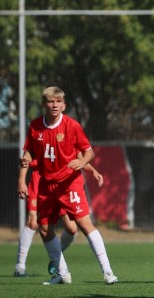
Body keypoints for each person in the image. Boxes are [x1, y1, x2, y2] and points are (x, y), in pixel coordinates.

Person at [17, 86, 118, 285]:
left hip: (69, 184)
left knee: (83, 223)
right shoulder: (35, 126)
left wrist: (82, 162)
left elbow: (89, 152)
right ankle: (62, 274)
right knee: (44, 229)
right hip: (46, 185)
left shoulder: (72, 126)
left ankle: (108, 272)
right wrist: (25, 164)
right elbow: (30, 152)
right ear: (44, 104)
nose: (54, 105)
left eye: (58, 102)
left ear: (63, 105)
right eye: (50, 101)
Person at [14, 157, 104, 278]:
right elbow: (26, 157)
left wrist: (93, 171)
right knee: (33, 222)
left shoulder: (65, 139)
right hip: (39, 178)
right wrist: (21, 180)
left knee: (72, 229)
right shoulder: (37, 138)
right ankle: (20, 267)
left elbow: (77, 158)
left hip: (60, 183)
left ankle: (56, 257)